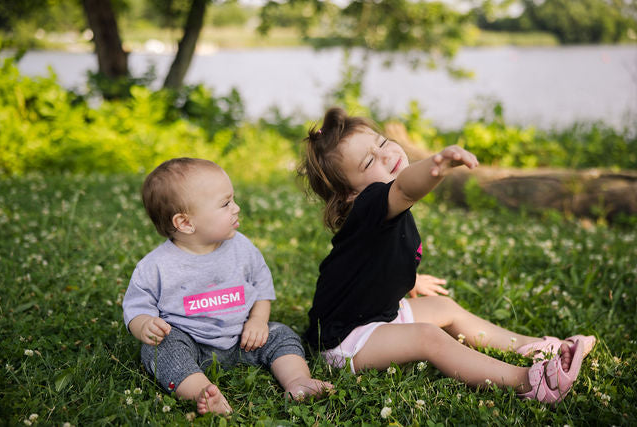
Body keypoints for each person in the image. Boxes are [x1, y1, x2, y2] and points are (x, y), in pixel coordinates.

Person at [299, 107, 595, 404]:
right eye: (369, 161)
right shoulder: (370, 205)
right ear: (352, 195)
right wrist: (437, 165)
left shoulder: (382, 212)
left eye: (382, 142)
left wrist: (408, 282)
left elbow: (368, 267)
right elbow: (404, 187)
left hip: (374, 316)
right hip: (344, 340)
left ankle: (534, 347)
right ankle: (529, 382)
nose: (387, 154)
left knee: (444, 307)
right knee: (428, 337)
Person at [123, 158, 332, 415]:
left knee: (280, 334)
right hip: (190, 343)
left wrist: (257, 321)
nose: (236, 208)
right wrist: (143, 324)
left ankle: (297, 380)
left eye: (232, 200)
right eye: (225, 204)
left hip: (242, 339)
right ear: (186, 223)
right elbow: (136, 306)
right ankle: (201, 390)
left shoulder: (242, 248)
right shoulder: (156, 266)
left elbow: (261, 287)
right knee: (160, 349)